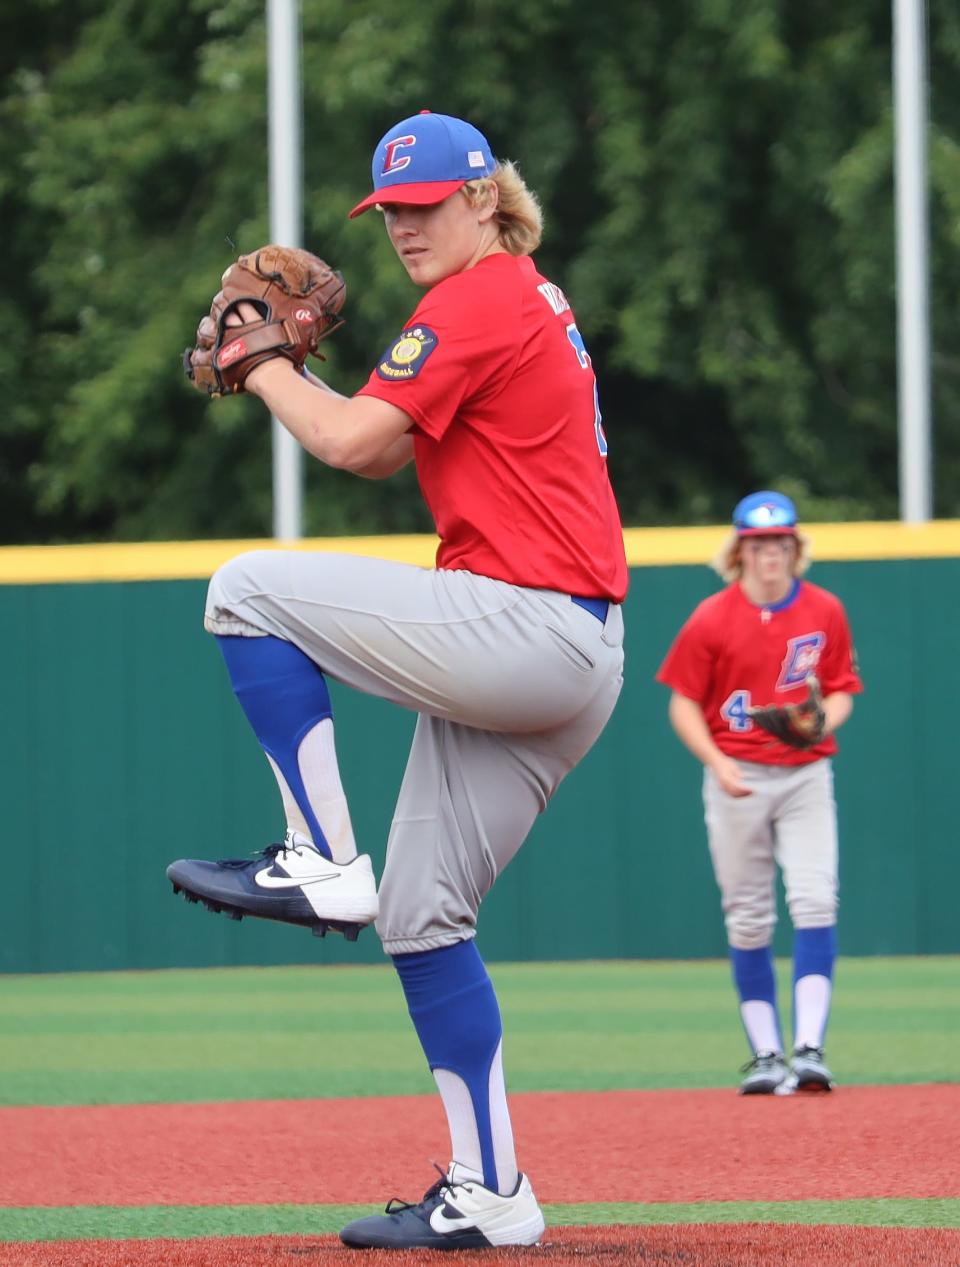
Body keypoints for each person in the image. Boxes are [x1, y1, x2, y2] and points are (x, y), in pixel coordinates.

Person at [168, 110, 627, 1249]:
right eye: (391, 213)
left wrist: (265, 360)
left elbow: (358, 445)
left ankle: (321, 857)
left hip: (526, 622)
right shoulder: (527, 293)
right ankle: (494, 1191)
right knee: (423, 917)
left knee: (246, 587)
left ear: (482, 196)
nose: (406, 228)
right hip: (572, 648)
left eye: (425, 205)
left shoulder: (480, 297)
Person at [655, 491, 862, 1096]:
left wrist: (822, 722)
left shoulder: (824, 609)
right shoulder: (711, 618)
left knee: (816, 899)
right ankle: (767, 1054)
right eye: (757, 543)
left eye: (779, 542)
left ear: (794, 549)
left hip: (803, 773)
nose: (769, 553)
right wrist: (716, 762)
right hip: (738, 775)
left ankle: (810, 1048)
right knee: (748, 916)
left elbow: (843, 688)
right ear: (739, 550)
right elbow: (683, 703)